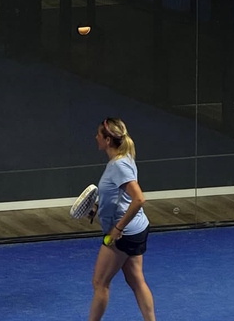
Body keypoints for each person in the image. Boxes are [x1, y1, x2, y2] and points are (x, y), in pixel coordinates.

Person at [88, 117, 155, 321]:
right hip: (137, 229)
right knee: (136, 280)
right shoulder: (124, 158)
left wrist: (117, 228)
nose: (96, 137)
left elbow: (139, 199)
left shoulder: (119, 165)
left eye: (99, 135)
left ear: (108, 140)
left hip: (124, 233)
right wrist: (97, 207)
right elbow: (118, 195)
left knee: (100, 283)